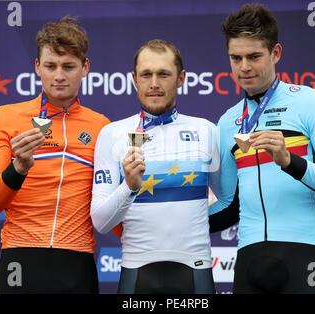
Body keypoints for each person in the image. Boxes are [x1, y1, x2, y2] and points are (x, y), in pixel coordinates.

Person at [209, 4, 315, 294]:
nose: (244, 67)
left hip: (305, 253)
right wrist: (169, 223)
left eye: (254, 56)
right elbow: (228, 206)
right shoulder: (227, 122)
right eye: (235, 58)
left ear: (275, 53)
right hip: (249, 255)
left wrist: (289, 160)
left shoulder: (310, 102)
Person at [0, 16, 119, 293]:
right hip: (21, 254)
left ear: (85, 68)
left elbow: (110, 209)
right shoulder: (6, 117)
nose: (59, 76)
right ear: (37, 67)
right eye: (51, 66)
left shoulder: (102, 126)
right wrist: (18, 168)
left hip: (76, 259)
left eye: (69, 66)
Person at [91, 39, 220, 294]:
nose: (154, 84)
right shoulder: (112, 134)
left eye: (163, 74)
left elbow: (228, 200)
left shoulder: (207, 130)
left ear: (181, 78)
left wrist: (195, 224)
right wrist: (128, 186)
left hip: (195, 270)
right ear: (134, 79)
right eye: (146, 74)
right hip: (137, 272)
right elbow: (100, 222)